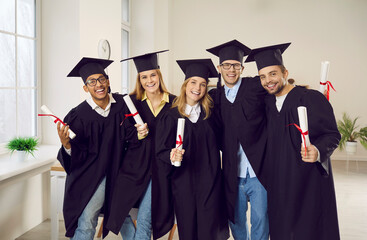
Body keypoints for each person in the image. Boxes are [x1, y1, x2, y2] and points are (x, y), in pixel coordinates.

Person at [245, 43, 340, 240]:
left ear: (285, 72)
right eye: (262, 76)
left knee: (309, 230)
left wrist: (318, 150)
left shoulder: (310, 97)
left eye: (273, 74)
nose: (268, 81)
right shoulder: (267, 103)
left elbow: (332, 135)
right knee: (282, 230)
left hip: (308, 183)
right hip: (280, 183)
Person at [57, 57, 136, 239]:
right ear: (85, 88)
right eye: (91, 82)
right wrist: (66, 145)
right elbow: (73, 158)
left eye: (101, 79)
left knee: (121, 215)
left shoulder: (123, 105)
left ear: (108, 81)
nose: (98, 85)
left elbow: (134, 139)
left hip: (121, 172)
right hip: (91, 177)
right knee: (87, 221)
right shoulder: (77, 115)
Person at [154, 58, 229, 240]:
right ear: (185, 85)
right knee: (188, 230)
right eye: (193, 82)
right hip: (183, 182)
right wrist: (171, 155)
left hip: (210, 181)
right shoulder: (170, 115)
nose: (198, 88)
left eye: (203, 84)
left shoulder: (211, 115)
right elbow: (161, 151)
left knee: (209, 229)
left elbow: (224, 141)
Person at [105, 50, 176, 240]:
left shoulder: (175, 103)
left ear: (159, 75)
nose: (149, 80)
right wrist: (137, 134)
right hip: (133, 167)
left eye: (153, 75)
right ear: (139, 79)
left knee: (145, 221)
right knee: (117, 210)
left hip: (160, 170)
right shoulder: (130, 103)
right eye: (144, 77)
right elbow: (123, 134)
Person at [207, 40, 269, 240]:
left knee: (261, 219)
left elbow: (277, 90)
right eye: (226, 65)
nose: (231, 70)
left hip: (259, 170)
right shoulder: (215, 97)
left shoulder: (254, 86)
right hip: (233, 172)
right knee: (236, 219)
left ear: (242, 68)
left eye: (235, 65)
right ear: (219, 68)